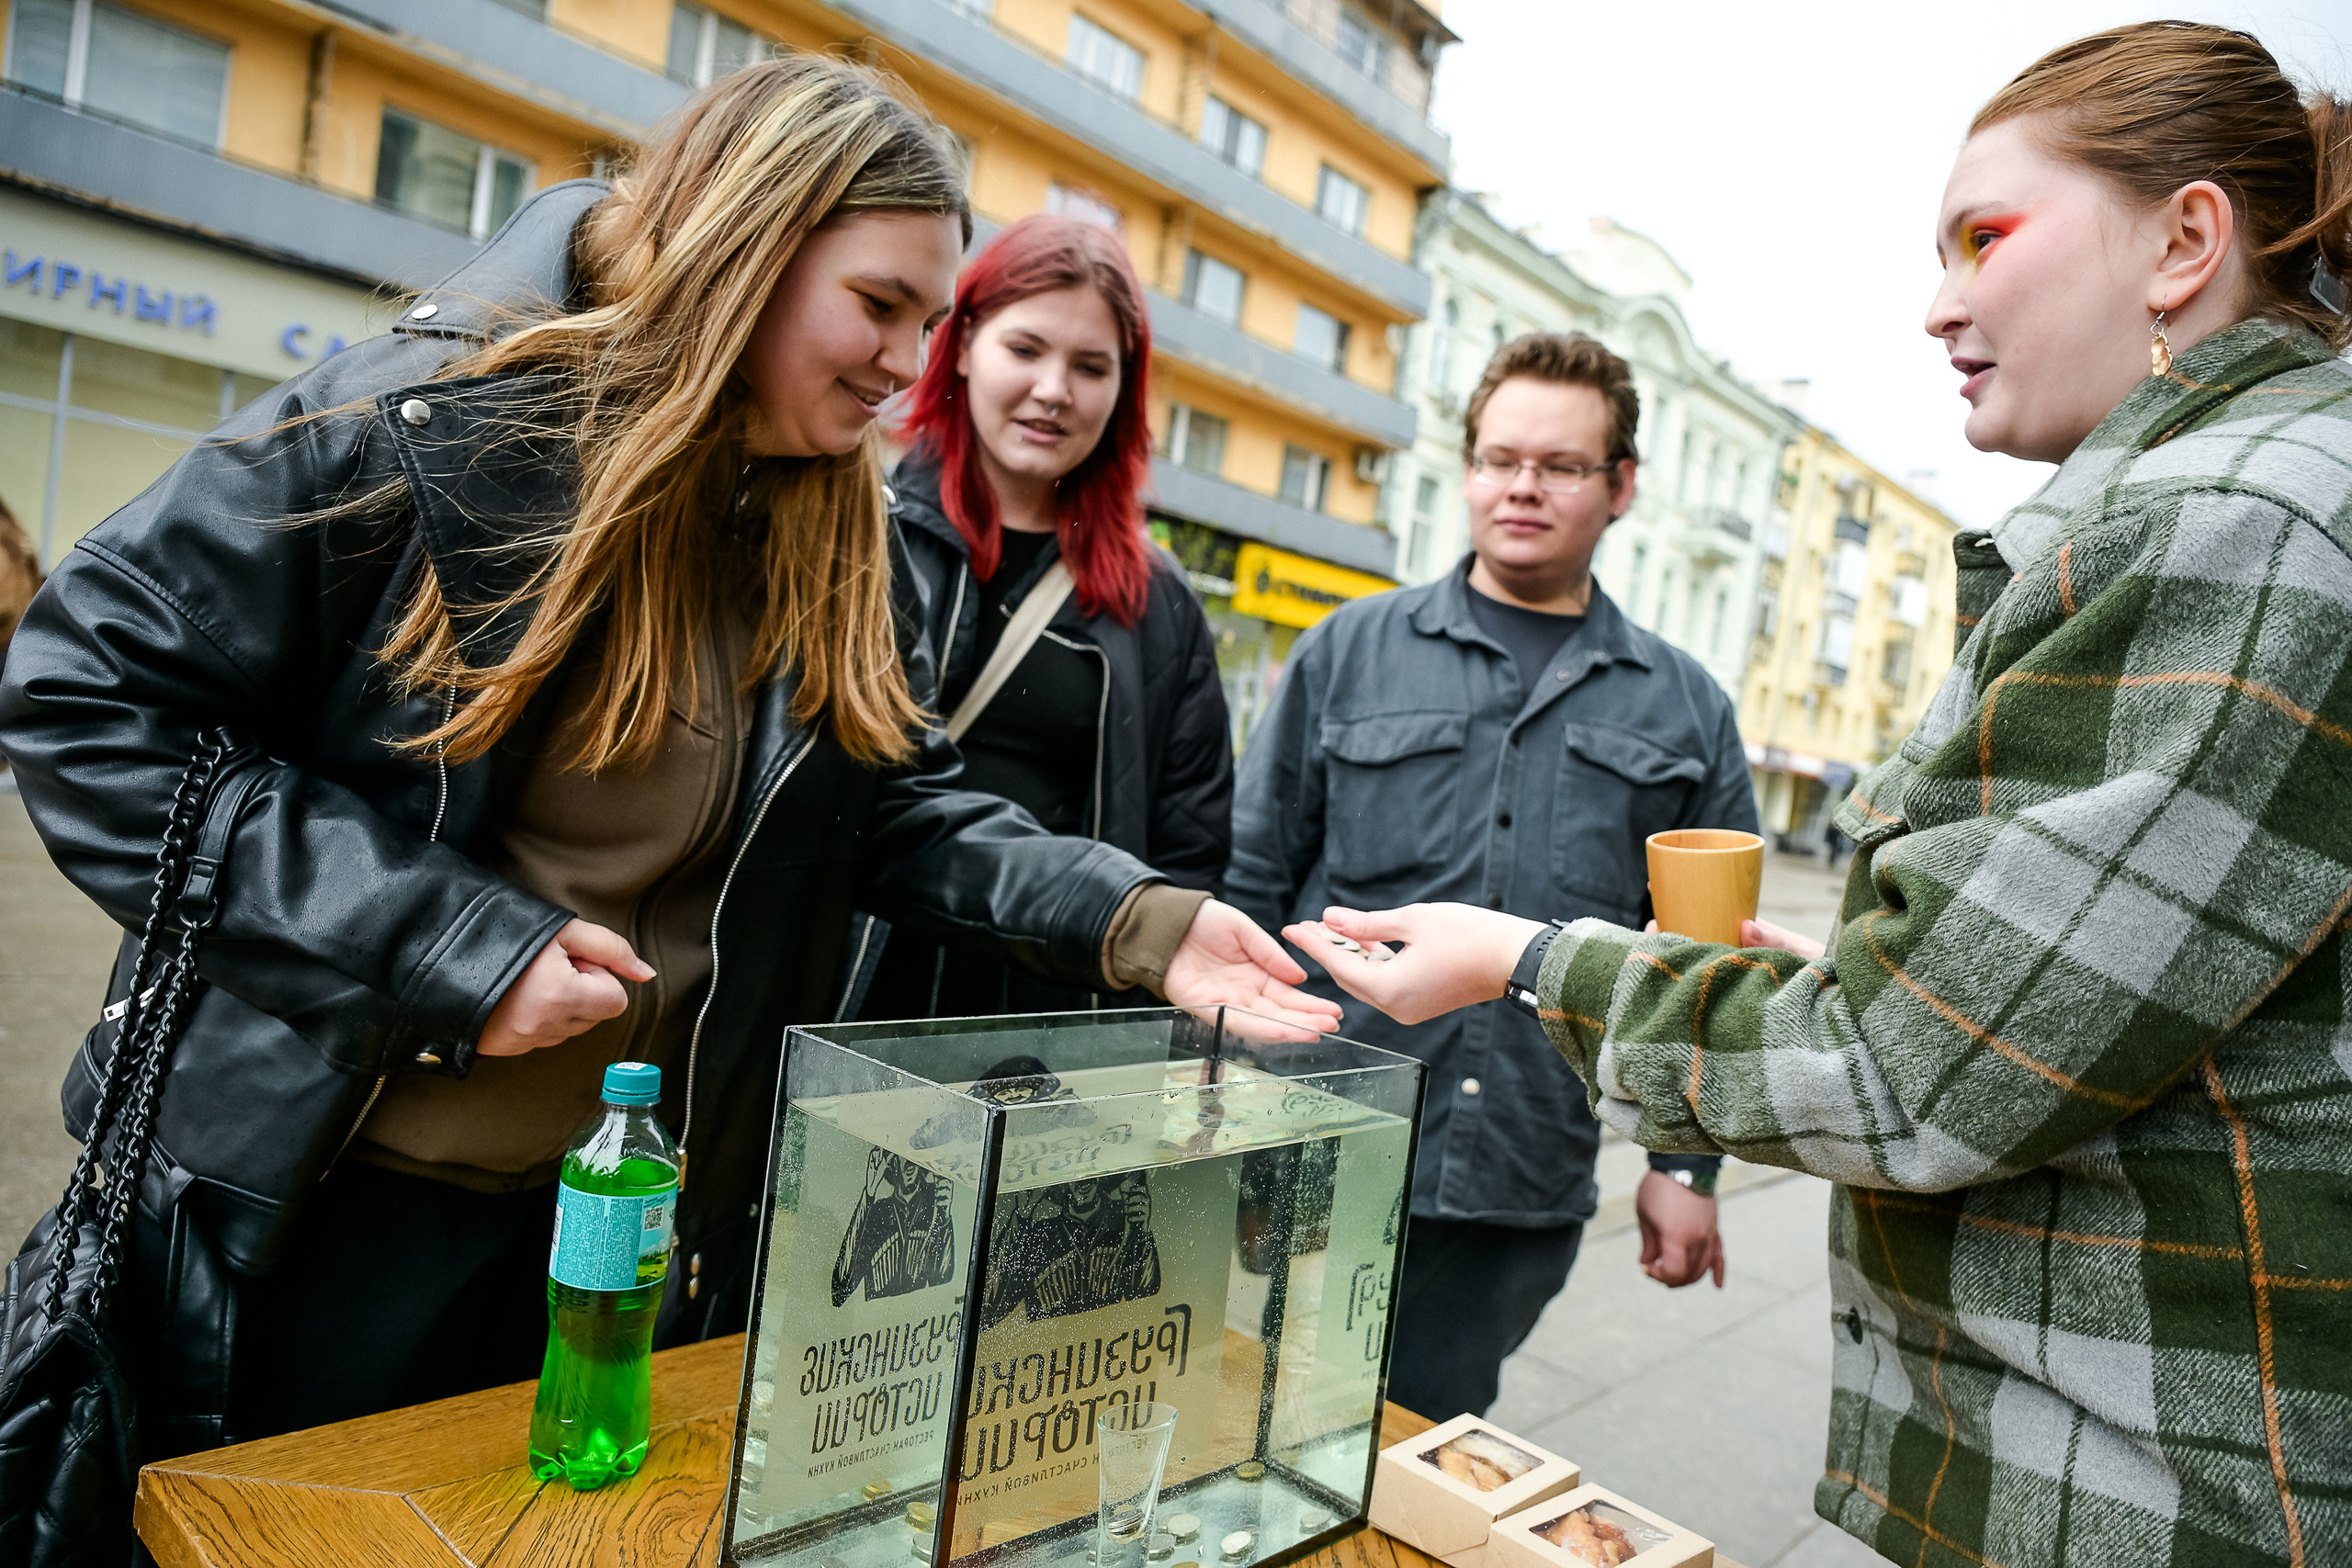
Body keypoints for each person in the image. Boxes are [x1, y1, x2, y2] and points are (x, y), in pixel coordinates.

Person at [0, 56, 1336, 1460]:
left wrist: (1139, 920)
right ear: (741, 248)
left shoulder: (832, 517)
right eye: (878, 305)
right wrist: (452, 943)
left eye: (927, 319)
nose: (905, 360)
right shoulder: (425, 421)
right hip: (326, 1219)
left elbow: (894, 805)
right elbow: (86, 695)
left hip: (618, 1236)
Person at [1285, 23, 2352, 1566]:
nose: (1939, 304)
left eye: (1987, 237)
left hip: (2159, 1482)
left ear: (2187, 239)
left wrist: (1520, 961)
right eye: (1939, 251)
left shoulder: (2232, 526)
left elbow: (1912, 1065)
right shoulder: (1350, 646)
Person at [1226, 332, 1758, 1419]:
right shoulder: (1345, 652)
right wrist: (1211, 1097)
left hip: (1517, 1171)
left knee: (1431, 1449)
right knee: (1256, 1431)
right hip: (1313, 1143)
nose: (1521, 486)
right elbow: (1251, 879)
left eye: (1560, 466)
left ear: (1620, 488)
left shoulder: (1686, 707)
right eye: (1497, 457)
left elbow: (1710, 969)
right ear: (1466, 467)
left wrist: (1685, 1167)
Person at [851, 214, 1233, 1020]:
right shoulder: (855, 535)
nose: (1054, 390)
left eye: (1091, 366)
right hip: (848, 998)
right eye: (1025, 350)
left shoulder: (1159, 603)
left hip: (1059, 1026)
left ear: (1125, 388)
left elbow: (1189, 850)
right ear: (959, 344)